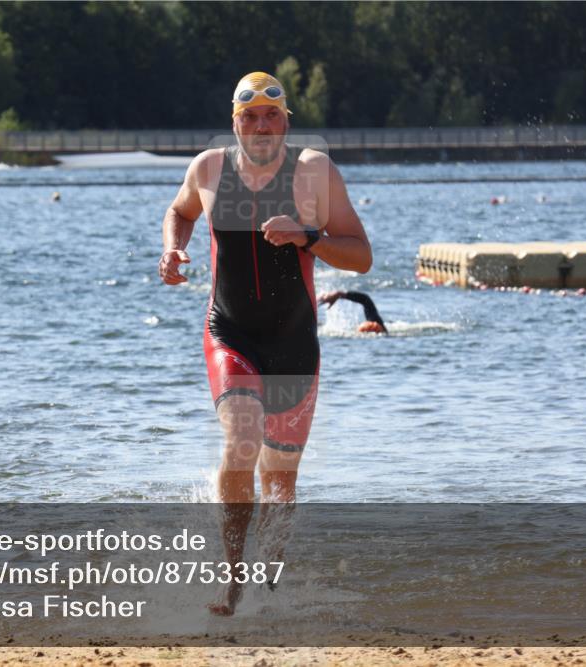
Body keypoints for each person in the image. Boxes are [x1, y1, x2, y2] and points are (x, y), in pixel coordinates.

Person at [158, 71, 372, 615]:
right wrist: (173, 251)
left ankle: (270, 584)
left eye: (271, 116)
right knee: (242, 436)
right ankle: (231, 581)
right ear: (234, 123)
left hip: (295, 342)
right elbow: (179, 212)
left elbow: (361, 255)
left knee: (280, 480)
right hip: (229, 331)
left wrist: (308, 236)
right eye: (249, 117)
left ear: (286, 122)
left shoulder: (313, 172)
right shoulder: (208, 169)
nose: (260, 126)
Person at [318, 290, 387, 333]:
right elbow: (365, 299)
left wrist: (339, 294)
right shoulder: (377, 324)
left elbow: (365, 299)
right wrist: (339, 294)